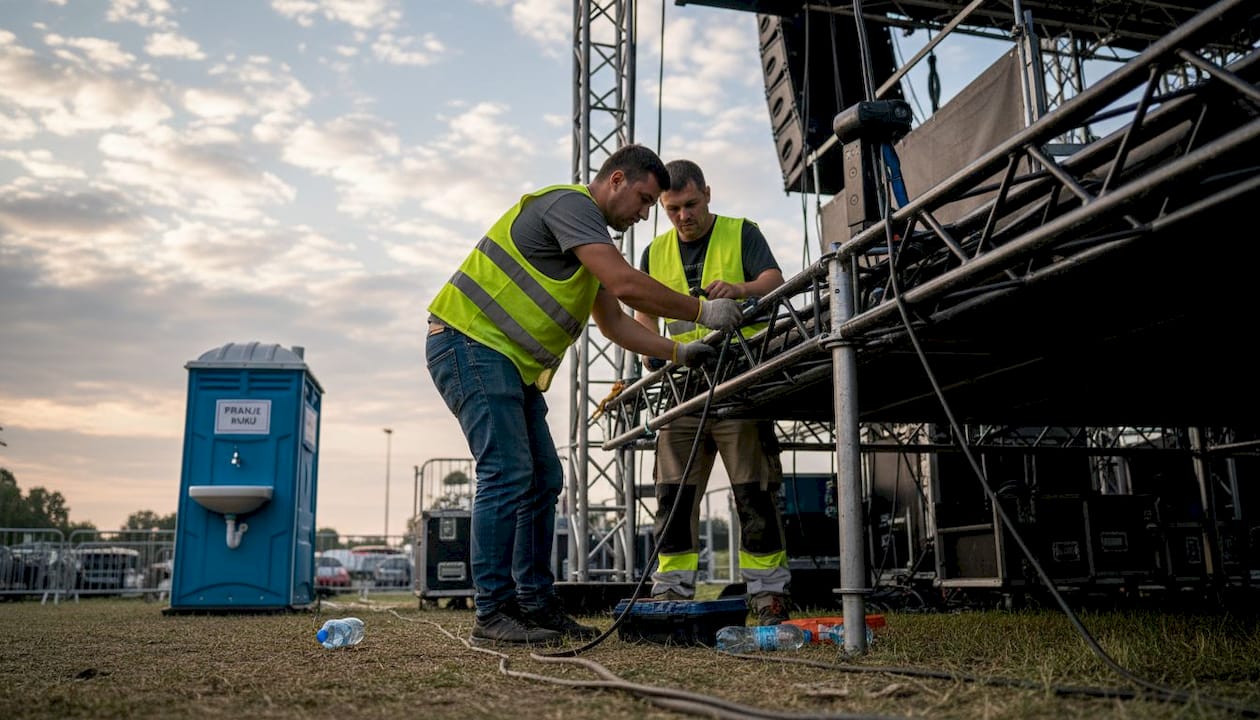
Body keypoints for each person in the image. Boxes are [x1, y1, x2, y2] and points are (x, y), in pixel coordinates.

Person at [425, 144, 747, 646]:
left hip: (501, 360)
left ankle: (533, 604)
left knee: (542, 478)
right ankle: (492, 613)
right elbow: (626, 285)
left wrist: (678, 352)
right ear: (616, 180)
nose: (645, 215)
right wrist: (702, 312)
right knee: (507, 473)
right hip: (470, 343)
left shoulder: (586, 239)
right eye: (644, 200)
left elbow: (614, 322)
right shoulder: (570, 206)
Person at [634, 159, 793, 626]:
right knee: (672, 497)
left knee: (753, 493)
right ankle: (671, 591)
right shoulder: (654, 252)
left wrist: (740, 289)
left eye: (690, 204)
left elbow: (775, 282)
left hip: (740, 383)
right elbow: (644, 311)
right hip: (682, 391)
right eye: (672, 209)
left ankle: (767, 594)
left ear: (707, 193)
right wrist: (651, 351)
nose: (683, 216)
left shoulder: (742, 232)